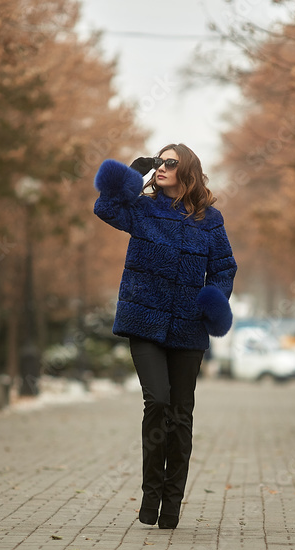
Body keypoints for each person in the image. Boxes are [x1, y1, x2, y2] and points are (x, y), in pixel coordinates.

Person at [93, 143, 237, 529]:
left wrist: (213, 301)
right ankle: (150, 494)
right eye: (158, 161)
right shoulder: (143, 208)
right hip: (143, 321)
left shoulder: (211, 221)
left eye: (170, 162)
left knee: (180, 414)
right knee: (157, 400)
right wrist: (133, 173)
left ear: (187, 170)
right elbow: (105, 208)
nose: (162, 167)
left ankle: (172, 503)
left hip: (189, 327)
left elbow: (224, 269)